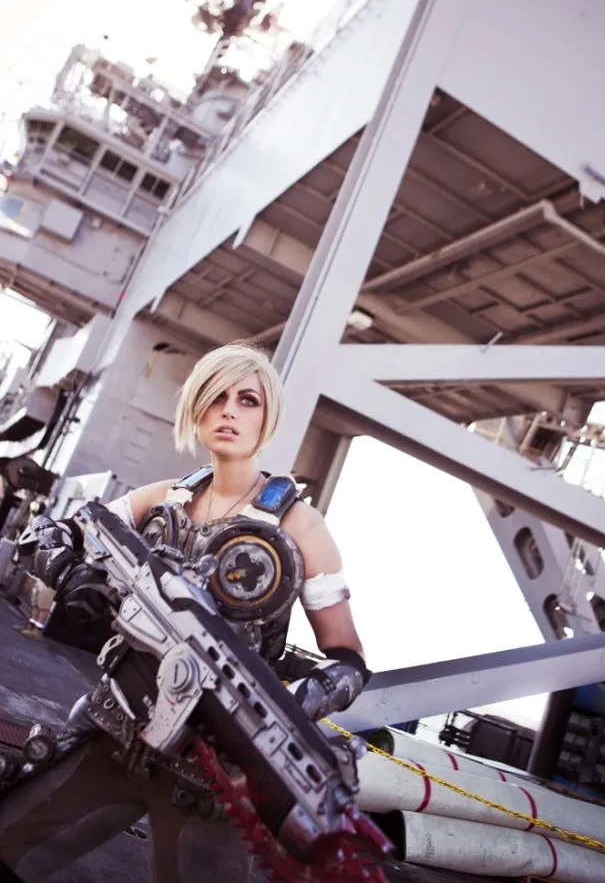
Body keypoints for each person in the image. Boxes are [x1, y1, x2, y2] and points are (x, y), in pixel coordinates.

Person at [0, 342, 370, 883]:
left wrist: (290, 709)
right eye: (215, 397)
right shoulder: (164, 499)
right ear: (196, 408)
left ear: (267, 417)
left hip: (210, 774)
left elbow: (349, 660)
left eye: (247, 400)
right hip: (115, 733)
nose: (228, 411)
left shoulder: (298, 526)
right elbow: (49, 532)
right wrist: (72, 573)